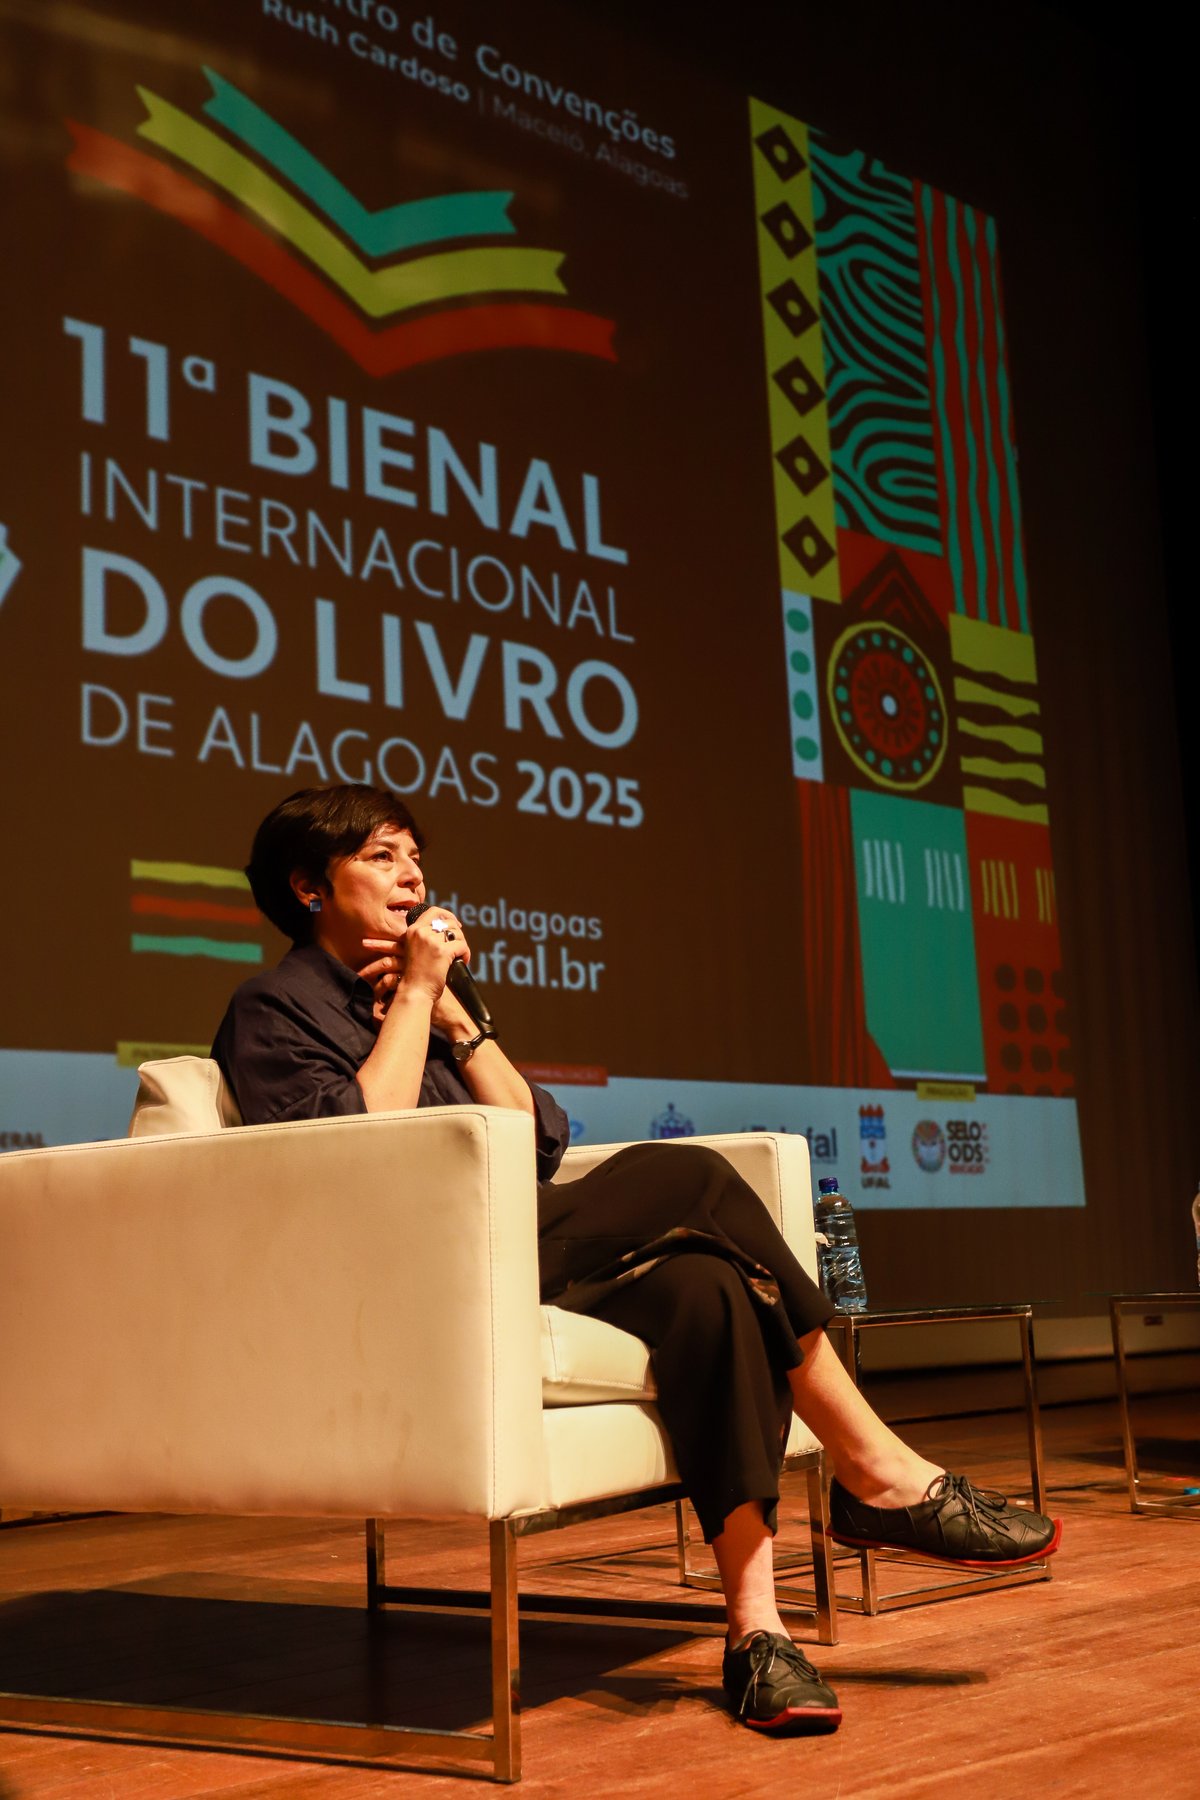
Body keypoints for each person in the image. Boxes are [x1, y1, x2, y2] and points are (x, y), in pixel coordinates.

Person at [212, 783, 1061, 1736]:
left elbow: (538, 1140)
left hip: (513, 1243)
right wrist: (414, 995)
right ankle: (873, 1467)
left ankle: (757, 1636)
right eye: (382, 856)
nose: (412, 877)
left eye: (416, 857)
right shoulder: (272, 1008)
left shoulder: (435, 1001)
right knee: (690, 1175)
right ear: (309, 887)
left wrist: (458, 1023)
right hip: (411, 1272)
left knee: (712, 1291)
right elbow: (356, 1158)